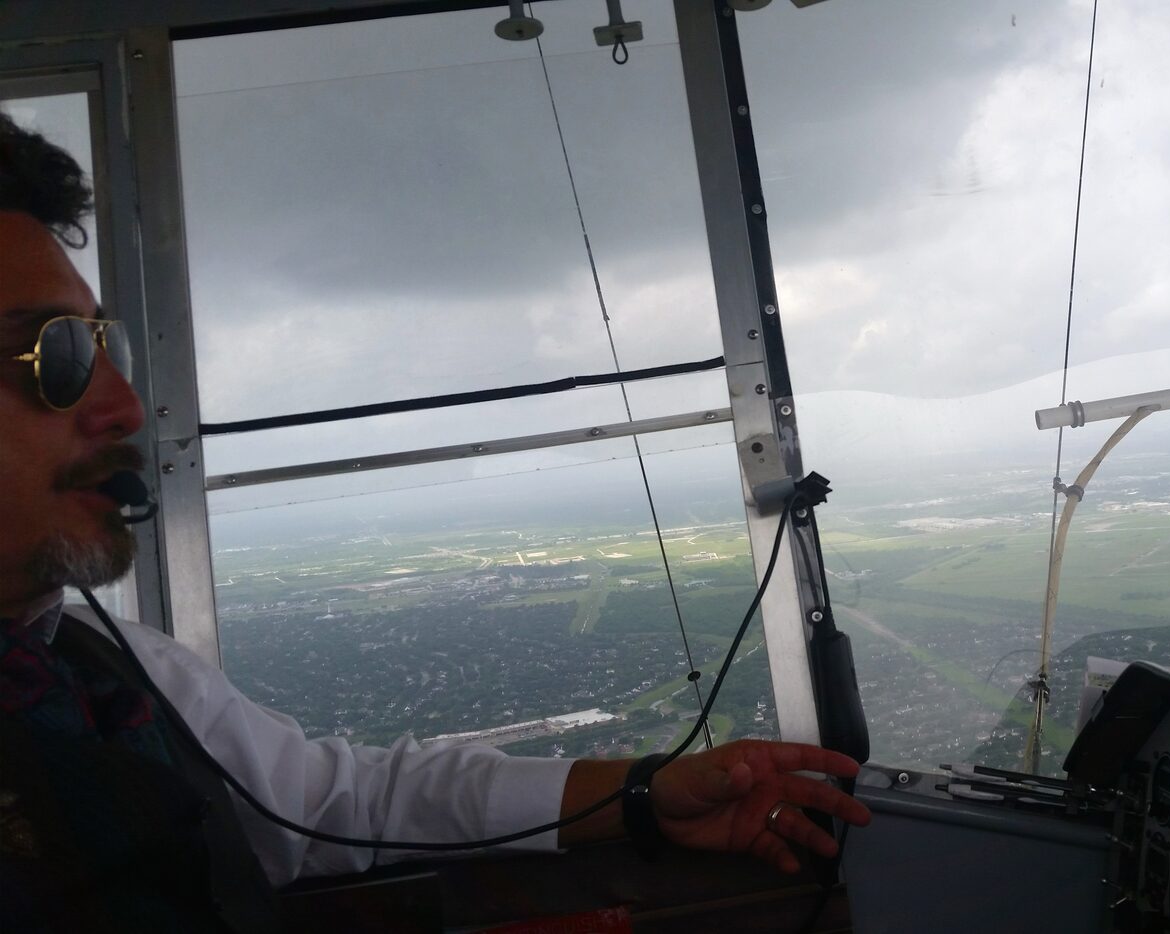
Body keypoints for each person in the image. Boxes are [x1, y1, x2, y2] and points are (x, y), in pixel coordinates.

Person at [0, 112, 870, 930]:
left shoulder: (111, 669)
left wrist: (640, 794)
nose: (126, 406)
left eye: (105, 346)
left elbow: (334, 805)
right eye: (58, 354)